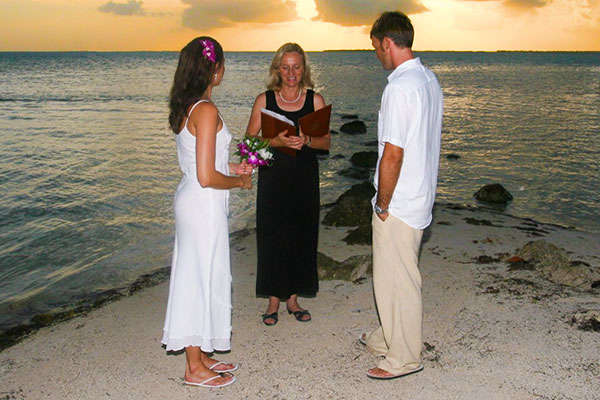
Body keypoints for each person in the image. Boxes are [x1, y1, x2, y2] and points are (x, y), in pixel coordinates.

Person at [162, 36, 253, 388]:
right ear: (214, 69)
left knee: (204, 273)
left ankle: (199, 355)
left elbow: (203, 162)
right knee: (197, 278)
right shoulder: (206, 110)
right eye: (222, 63)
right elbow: (206, 175)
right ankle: (192, 368)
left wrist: (233, 167)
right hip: (202, 204)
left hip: (195, 200)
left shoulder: (191, 107)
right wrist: (238, 184)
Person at [360, 11, 443, 379]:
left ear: (388, 44)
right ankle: (389, 336)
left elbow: (392, 153)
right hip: (421, 193)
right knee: (391, 274)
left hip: (401, 200)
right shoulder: (428, 79)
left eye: (377, 48)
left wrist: (383, 202)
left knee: (401, 278)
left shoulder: (398, 88)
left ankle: (405, 356)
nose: (377, 54)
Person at [246, 43, 331, 326]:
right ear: (277, 70)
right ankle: (273, 300)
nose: (291, 73)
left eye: (296, 67)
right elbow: (248, 144)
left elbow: (326, 142)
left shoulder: (314, 100)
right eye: (286, 67)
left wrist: (307, 140)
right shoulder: (264, 100)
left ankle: (293, 299)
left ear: (304, 69)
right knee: (271, 237)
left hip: (305, 180)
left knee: (301, 236)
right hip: (272, 181)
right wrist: (276, 141)